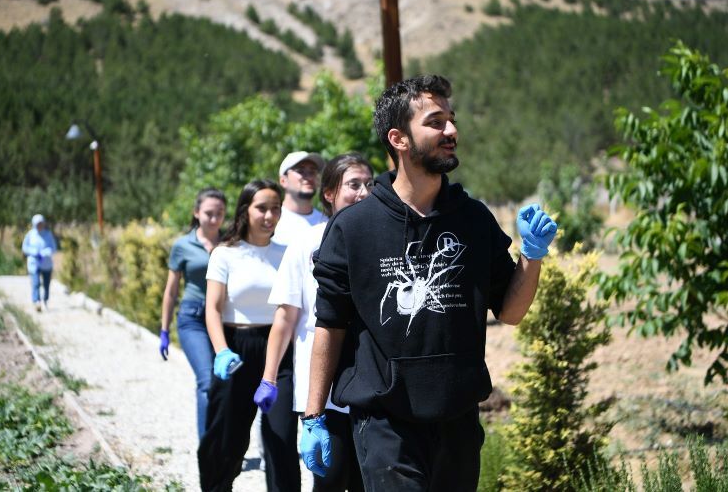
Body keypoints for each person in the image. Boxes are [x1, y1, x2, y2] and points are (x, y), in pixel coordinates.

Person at [300, 75, 558, 491]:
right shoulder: (354, 227)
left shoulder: (473, 219)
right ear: (399, 138)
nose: (452, 131)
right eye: (436, 122)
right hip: (386, 425)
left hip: (458, 421)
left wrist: (532, 255)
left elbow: (510, 312)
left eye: (451, 120)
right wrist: (313, 417)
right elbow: (330, 324)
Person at [255, 153, 374, 492]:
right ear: (330, 193)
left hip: (374, 387)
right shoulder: (307, 244)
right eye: (354, 185)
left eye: (370, 184)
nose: (364, 192)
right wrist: (270, 378)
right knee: (331, 482)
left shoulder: (384, 242)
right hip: (325, 392)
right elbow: (285, 318)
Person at [198, 179, 300, 492]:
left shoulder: (287, 254)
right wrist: (221, 351)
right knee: (226, 441)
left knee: (281, 440)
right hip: (236, 350)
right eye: (262, 208)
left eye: (275, 208)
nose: (269, 215)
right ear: (246, 210)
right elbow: (213, 309)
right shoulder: (225, 254)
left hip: (278, 353)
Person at [159, 188, 227, 439]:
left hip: (223, 319)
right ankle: (207, 446)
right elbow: (171, 291)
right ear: (196, 213)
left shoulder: (230, 242)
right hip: (193, 319)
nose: (214, 219)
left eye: (220, 213)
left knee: (225, 382)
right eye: (209, 213)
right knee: (207, 380)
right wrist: (164, 330)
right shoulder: (182, 246)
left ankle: (224, 441)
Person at [272, 151, 327, 247]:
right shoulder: (271, 220)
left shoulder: (326, 222)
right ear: (283, 180)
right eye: (300, 171)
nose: (309, 177)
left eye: (312, 172)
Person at [21, 214, 57, 312]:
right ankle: (36, 301)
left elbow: (54, 248)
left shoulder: (48, 234)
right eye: (38, 224)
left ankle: (45, 300)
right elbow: (24, 248)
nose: (40, 225)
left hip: (46, 263)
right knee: (35, 283)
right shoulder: (30, 235)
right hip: (34, 263)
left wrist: (46, 252)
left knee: (46, 284)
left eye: (41, 223)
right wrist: (34, 252)